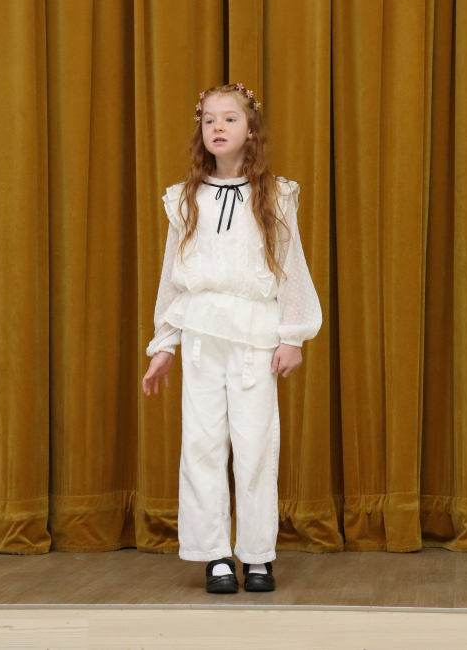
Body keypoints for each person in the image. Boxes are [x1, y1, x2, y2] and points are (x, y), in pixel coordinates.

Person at [141, 83, 322, 594]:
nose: (218, 127)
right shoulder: (185, 199)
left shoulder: (276, 196)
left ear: (251, 130)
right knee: (201, 444)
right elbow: (173, 276)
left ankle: (257, 555)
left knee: (255, 445)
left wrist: (293, 335)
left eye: (230, 119)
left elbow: (290, 268)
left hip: (254, 335)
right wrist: (164, 344)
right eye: (209, 120)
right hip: (202, 334)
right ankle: (215, 555)